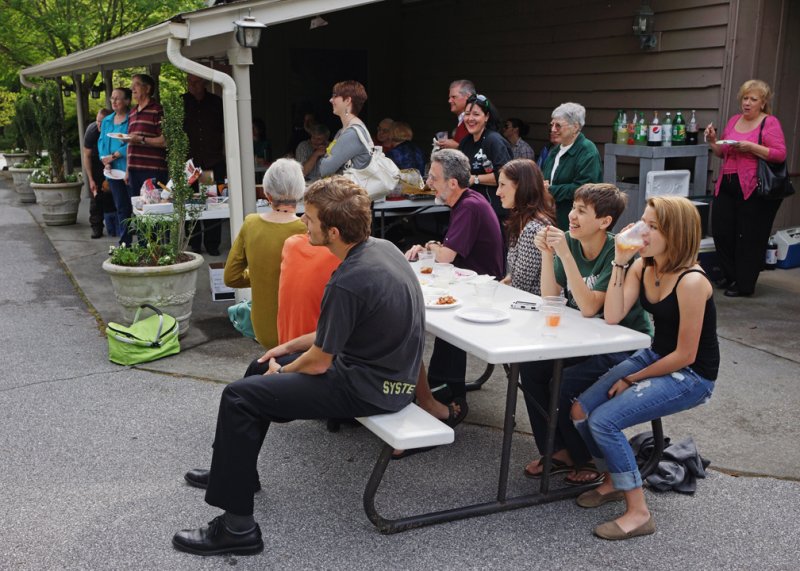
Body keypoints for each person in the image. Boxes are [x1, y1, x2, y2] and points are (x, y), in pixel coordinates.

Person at [173, 177, 426, 557]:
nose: (303, 223)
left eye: (309, 219)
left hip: (372, 388)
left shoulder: (349, 279)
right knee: (258, 366)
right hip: (384, 376)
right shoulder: (383, 249)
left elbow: (321, 361)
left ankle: (238, 528)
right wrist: (285, 348)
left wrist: (286, 371)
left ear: (334, 231)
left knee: (240, 398)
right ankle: (238, 473)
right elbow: (332, 334)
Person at [571, 195, 718, 540]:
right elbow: (612, 315)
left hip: (693, 375)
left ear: (676, 233)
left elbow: (685, 354)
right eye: (643, 222)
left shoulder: (693, 281)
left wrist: (631, 378)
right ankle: (614, 479)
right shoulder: (644, 264)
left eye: (652, 226)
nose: (641, 231)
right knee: (580, 410)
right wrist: (621, 261)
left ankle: (639, 514)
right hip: (655, 358)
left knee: (604, 421)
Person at [520, 184, 652, 484]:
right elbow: (551, 296)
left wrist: (564, 254)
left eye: (582, 211)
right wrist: (546, 254)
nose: (572, 216)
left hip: (624, 342)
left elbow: (590, 306)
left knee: (564, 383)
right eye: (573, 208)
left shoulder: (615, 251)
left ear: (605, 222)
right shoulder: (569, 241)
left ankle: (588, 458)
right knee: (531, 368)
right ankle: (557, 450)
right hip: (584, 339)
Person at [403, 149, 504, 432]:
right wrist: (431, 247)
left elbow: (445, 256)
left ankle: (444, 389)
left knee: (443, 321)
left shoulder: (469, 205)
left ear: (453, 183)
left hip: (483, 290)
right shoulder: (466, 203)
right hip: (467, 283)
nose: (428, 183)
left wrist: (431, 247)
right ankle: (436, 386)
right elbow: (446, 250)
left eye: (433, 178)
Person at [705, 79, 788, 297]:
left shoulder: (769, 123)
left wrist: (751, 147)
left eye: (753, 99)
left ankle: (744, 284)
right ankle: (730, 275)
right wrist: (714, 141)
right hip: (727, 183)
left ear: (762, 103)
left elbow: (780, 154)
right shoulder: (734, 120)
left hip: (753, 187)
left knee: (749, 237)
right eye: (745, 98)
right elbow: (722, 152)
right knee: (722, 232)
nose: (747, 103)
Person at [224, 159, 307, 349]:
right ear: (301, 193)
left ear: (267, 194)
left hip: (263, 327)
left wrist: (262, 276)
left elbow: (231, 277)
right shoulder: (308, 229)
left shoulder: (251, 224)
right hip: (300, 327)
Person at [495, 159, 555, 294]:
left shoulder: (533, 229)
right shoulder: (523, 220)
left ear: (521, 186)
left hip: (535, 309)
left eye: (502, 185)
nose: (498, 192)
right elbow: (517, 277)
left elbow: (520, 287)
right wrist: (508, 279)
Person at [541, 102, 602, 231]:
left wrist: (551, 190)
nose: (553, 130)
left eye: (558, 126)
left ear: (575, 127)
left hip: (575, 223)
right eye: (552, 125)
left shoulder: (587, 151)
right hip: (553, 219)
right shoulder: (555, 150)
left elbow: (585, 188)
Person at [184, 74, 226, 256]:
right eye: (190, 82)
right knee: (190, 204)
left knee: (211, 202)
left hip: (210, 162)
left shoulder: (216, 103)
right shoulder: (182, 103)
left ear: (205, 83)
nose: (192, 85)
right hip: (189, 164)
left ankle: (212, 243)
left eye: (196, 82)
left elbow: (226, 129)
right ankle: (193, 242)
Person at [125, 73, 167, 245]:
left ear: (147, 89)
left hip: (153, 169)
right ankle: (144, 248)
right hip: (134, 169)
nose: (132, 89)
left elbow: (165, 141)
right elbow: (130, 143)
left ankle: (156, 250)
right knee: (139, 211)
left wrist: (141, 139)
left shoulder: (158, 110)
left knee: (154, 211)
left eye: (136, 85)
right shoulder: (133, 112)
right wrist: (128, 169)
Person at [276, 233, 341, 345]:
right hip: (319, 351)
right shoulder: (343, 254)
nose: (302, 219)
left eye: (310, 218)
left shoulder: (292, 243)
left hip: (287, 347)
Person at [458, 93, 513, 220]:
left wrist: (475, 179)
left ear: (486, 117)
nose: (470, 118)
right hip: (471, 208)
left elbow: (506, 175)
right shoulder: (465, 142)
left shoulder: (494, 141)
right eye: (467, 114)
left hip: (495, 211)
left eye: (476, 114)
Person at [98, 88, 133, 240]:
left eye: (118, 98)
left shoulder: (132, 118)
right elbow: (102, 142)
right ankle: (125, 241)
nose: (114, 101)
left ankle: (145, 242)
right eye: (112, 98)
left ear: (127, 101)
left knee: (137, 206)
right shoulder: (107, 120)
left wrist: (114, 156)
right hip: (112, 171)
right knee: (121, 207)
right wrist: (105, 161)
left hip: (129, 168)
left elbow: (133, 141)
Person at [318, 80, 372, 178]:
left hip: (351, 192)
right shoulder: (344, 130)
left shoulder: (352, 133)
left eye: (335, 96)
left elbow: (324, 169)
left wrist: (324, 159)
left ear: (347, 100)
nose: (331, 100)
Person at [82, 108, 115, 239]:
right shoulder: (92, 131)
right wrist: (90, 179)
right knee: (96, 195)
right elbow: (87, 156)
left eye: (102, 122)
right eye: (97, 122)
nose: (99, 125)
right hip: (96, 161)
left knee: (117, 194)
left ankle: (119, 223)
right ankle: (96, 227)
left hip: (114, 160)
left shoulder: (116, 128)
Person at [438, 79, 476, 150]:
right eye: (449, 97)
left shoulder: (475, 121)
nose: (449, 101)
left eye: (454, 97)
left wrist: (457, 146)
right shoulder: (462, 119)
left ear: (467, 97)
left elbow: (478, 149)